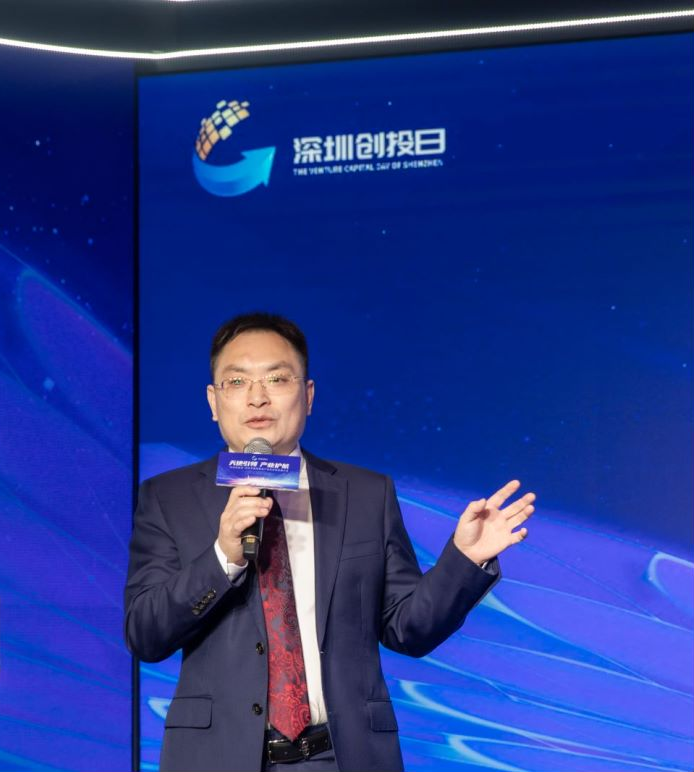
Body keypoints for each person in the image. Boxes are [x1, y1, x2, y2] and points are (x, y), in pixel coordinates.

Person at [124, 312, 534, 772]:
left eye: (277, 378)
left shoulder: (366, 494)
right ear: (213, 401)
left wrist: (464, 559)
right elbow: (145, 634)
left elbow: (408, 629)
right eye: (236, 382)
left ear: (308, 395)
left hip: (341, 757)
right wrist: (223, 558)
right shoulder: (169, 498)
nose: (257, 397)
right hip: (217, 759)